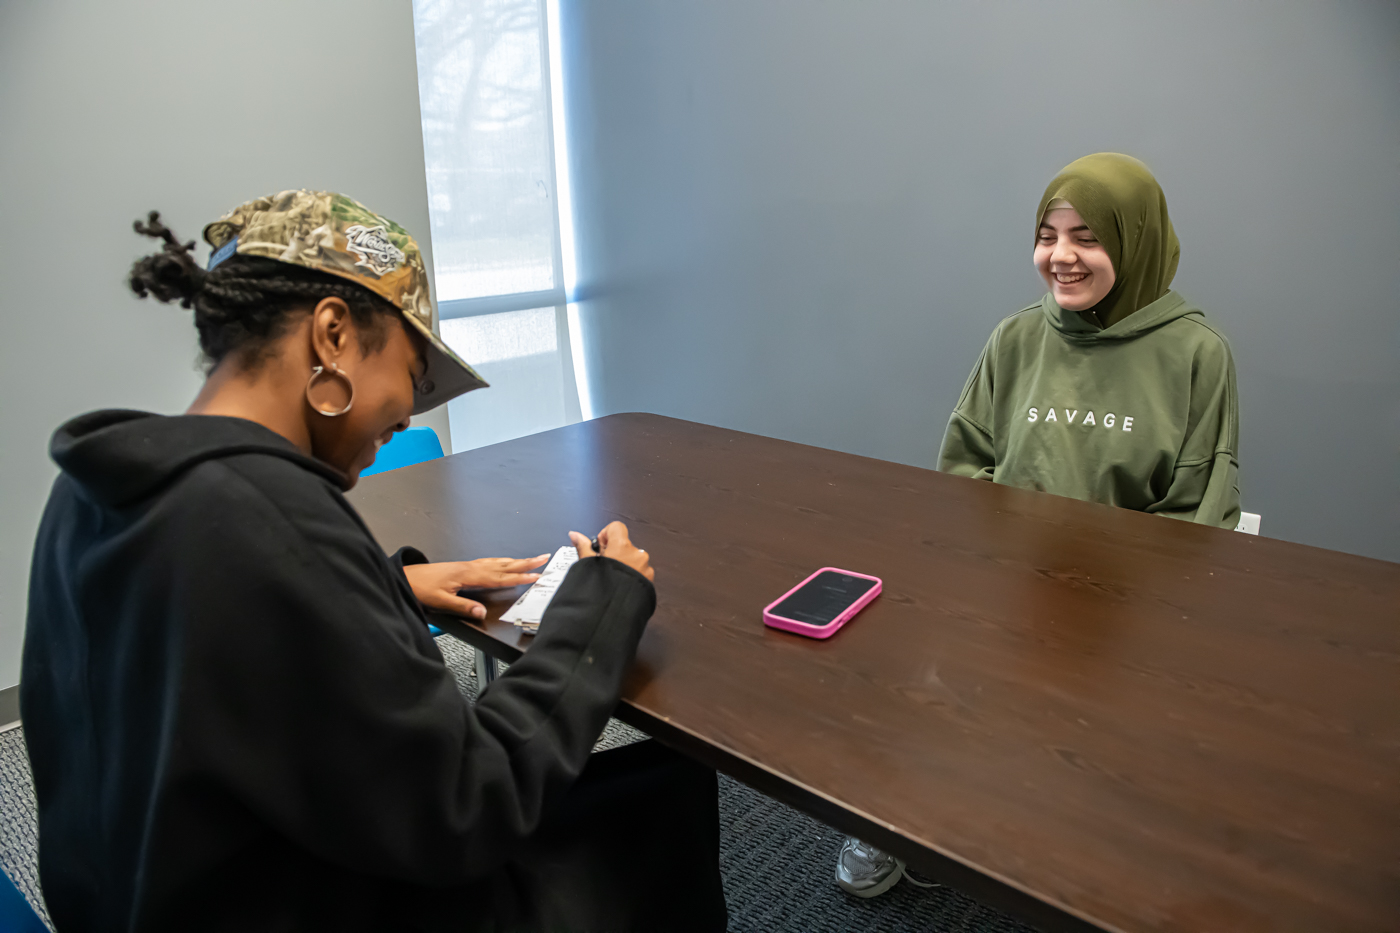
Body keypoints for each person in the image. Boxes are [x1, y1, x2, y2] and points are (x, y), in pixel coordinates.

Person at [22, 191, 728, 932]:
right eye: (413, 374)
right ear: (332, 334)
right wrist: (601, 607)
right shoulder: (279, 522)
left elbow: (211, 640)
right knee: (661, 802)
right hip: (320, 901)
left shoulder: (99, 490)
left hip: (160, 893)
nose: (408, 414)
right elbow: (470, 805)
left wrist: (380, 586)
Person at [836, 153, 1241, 899]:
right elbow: (965, 466)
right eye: (1047, 235)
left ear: (1136, 241)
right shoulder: (1017, 337)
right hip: (1004, 590)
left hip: (1123, 611)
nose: (1061, 256)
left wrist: (1102, 591)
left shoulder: (1196, 354)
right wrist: (996, 571)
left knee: (1090, 771)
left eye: (1087, 237)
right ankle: (908, 814)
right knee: (907, 662)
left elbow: (1197, 512)